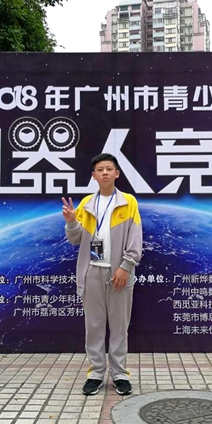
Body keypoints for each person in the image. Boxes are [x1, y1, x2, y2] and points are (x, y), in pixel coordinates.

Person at [62, 153, 142, 396]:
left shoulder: (128, 202)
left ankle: (119, 374)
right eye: (100, 169)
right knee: (94, 326)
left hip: (119, 272)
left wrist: (126, 266)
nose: (105, 172)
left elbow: (135, 238)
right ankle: (96, 373)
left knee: (119, 326)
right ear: (94, 175)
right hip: (92, 272)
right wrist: (71, 221)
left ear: (117, 173)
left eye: (109, 168)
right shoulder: (87, 203)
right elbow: (76, 239)